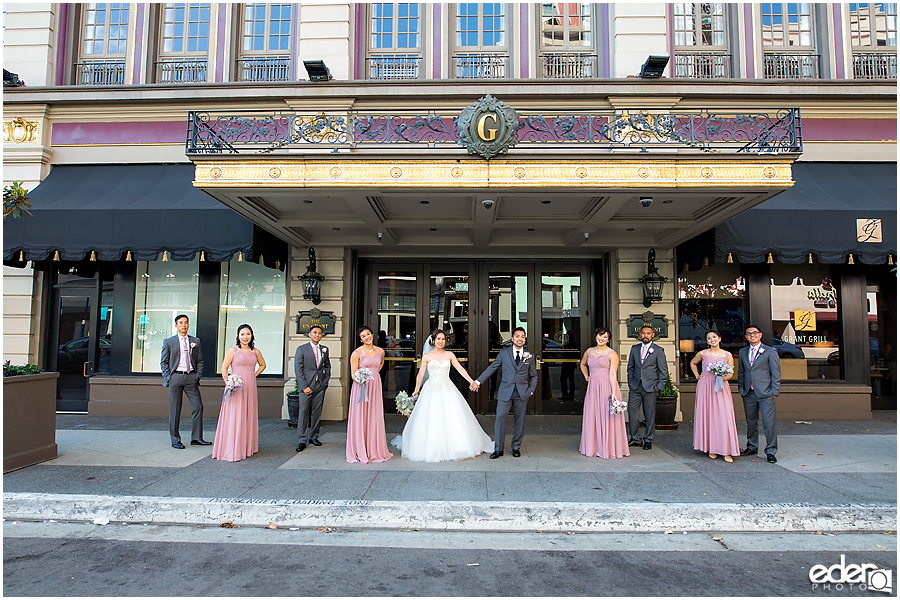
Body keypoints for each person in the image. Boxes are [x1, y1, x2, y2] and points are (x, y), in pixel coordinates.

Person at [392, 329, 492, 462]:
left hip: (447, 387)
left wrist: (471, 381)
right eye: (438, 339)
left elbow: (460, 369)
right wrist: (416, 389)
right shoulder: (427, 356)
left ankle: (456, 446)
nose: (441, 342)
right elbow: (421, 374)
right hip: (431, 388)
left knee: (452, 416)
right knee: (431, 417)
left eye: (443, 339)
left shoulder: (449, 355)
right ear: (433, 341)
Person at [471, 327, 537, 459]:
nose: (520, 338)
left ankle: (516, 447)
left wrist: (530, 391)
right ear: (512, 339)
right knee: (500, 418)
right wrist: (478, 382)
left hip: (522, 393)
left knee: (520, 421)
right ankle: (498, 449)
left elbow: (534, 375)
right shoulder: (504, 353)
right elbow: (492, 368)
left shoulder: (529, 356)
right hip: (505, 392)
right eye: (517, 336)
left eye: (523, 336)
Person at [212, 324, 266, 462]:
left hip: (250, 385)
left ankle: (247, 447)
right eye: (242, 334)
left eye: (248, 334)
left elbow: (263, 365)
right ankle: (232, 447)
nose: (245, 337)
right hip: (236, 386)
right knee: (235, 415)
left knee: (248, 413)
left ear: (251, 335)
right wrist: (228, 382)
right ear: (238, 336)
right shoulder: (233, 350)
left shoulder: (255, 351)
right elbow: (224, 368)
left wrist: (254, 375)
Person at [579, 327, 630, 459]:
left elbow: (613, 373)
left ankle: (608, 448)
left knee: (606, 416)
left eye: (605, 337)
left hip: (607, 386)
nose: (602, 339)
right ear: (595, 336)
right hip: (593, 387)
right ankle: (593, 447)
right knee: (593, 415)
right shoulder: (589, 351)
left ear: (608, 339)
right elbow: (583, 364)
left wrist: (613, 392)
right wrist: (587, 377)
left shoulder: (612, 354)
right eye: (600, 336)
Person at [160, 314, 209, 449]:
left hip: (191, 377)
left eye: (186, 322)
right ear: (176, 325)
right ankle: (175, 439)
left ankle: (196, 438)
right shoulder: (169, 342)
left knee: (198, 406)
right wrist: (168, 377)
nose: (183, 325)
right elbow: (164, 362)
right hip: (175, 377)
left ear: (188, 325)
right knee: (175, 409)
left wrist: (197, 375)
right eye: (180, 323)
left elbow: (200, 360)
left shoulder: (195, 341)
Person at [690, 330, 739, 463]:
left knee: (724, 416)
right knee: (709, 415)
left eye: (714, 337)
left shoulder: (727, 355)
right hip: (705, 386)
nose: (712, 339)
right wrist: (697, 375)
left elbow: (730, 373)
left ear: (719, 338)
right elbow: (692, 363)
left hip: (721, 387)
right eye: (709, 338)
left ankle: (726, 450)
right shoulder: (703, 354)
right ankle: (711, 447)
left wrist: (722, 377)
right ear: (706, 341)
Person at [346, 325, 393, 464]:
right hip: (361, 388)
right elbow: (353, 373)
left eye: (368, 334)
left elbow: (379, 366)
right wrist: (362, 378)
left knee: (374, 415)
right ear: (360, 339)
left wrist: (372, 376)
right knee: (361, 416)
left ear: (372, 334)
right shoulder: (356, 353)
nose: (367, 337)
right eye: (363, 336)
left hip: (375, 386)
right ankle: (360, 449)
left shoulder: (381, 351)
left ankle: (374, 449)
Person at [737, 325, 781, 463]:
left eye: (755, 333)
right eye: (749, 333)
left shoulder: (769, 351)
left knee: (769, 423)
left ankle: (771, 450)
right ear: (746, 336)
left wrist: (775, 391)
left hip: (765, 392)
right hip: (748, 392)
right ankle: (752, 446)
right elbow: (742, 372)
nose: (752, 335)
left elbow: (776, 372)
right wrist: (741, 388)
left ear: (760, 335)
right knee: (751, 421)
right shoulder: (743, 352)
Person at [626, 325, 669, 450]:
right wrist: (631, 383)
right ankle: (635, 438)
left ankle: (648, 439)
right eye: (643, 333)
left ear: (652, 335)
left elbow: (663, 371)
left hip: (651, 387)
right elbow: (630, 368)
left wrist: (659, 387)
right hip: (636, 387)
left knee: (649, 414)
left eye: (648, 333)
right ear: (640, 334)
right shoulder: (634, 349)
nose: (645, 335)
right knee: (632, 412)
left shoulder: (658, 350)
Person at [294, 325, 331, 452]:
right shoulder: (302, 349)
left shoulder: (325, 349)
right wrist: (304, 386)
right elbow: (298, 370)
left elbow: (327, 366)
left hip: (319, 385)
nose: (317, 335)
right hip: (306, 386)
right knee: (303, 413)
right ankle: (302, 439)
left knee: (317, 412)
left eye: (320, 333)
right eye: (315, 332)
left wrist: (325, 381)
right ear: (310, 334)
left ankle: (314, 436)